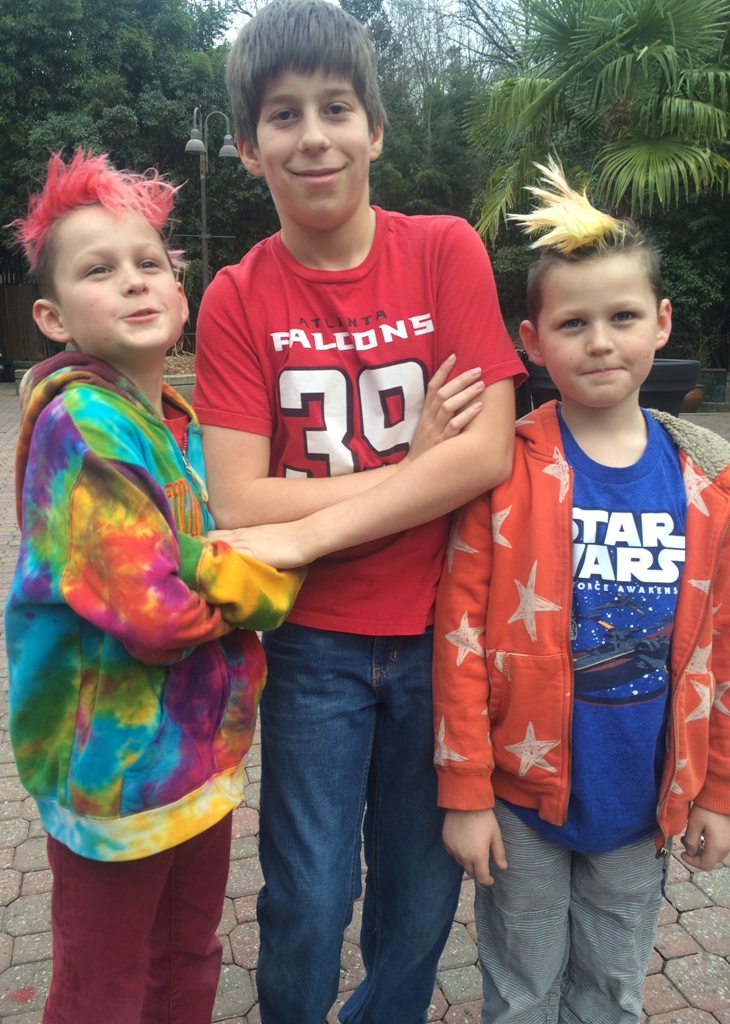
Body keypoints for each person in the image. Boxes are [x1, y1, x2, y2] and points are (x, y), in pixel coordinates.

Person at [190, 2, 526, 1020]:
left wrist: (304, 529)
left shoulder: (445, 252)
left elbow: (486, 451)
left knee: (419, 902)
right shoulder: (238, 297)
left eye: (336, 108)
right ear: (248, 148)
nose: (314, 136)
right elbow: (240, 500)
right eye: (283, 115)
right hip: (313, 644)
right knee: (307, 896)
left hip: (444, 635)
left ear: (375, 130)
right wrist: (415, 465)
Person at [3, 148, 305, 1024]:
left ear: (180, 296)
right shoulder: (82, 425)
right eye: (99, 270)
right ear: (53, 316)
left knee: (186, 952)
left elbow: (201, 546)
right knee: (105, 981)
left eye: (149, 264)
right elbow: (157, 611)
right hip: (115, 773)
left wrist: (212, 551)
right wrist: (272, 576)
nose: (133, 281)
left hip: (193, 759)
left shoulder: (176, 420)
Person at [432, 156, 730, 1024]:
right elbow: (458, 636)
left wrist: (717, 788)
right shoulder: (503, 469)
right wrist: (465, 792)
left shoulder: (707, 486)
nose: (599, 341)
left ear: (661, 322)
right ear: (532, 340)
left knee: (610, 991)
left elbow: (720, 651)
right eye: (573, 322)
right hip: (522, 802)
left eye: (622, 316)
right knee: (522, 991)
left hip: (643, 802)